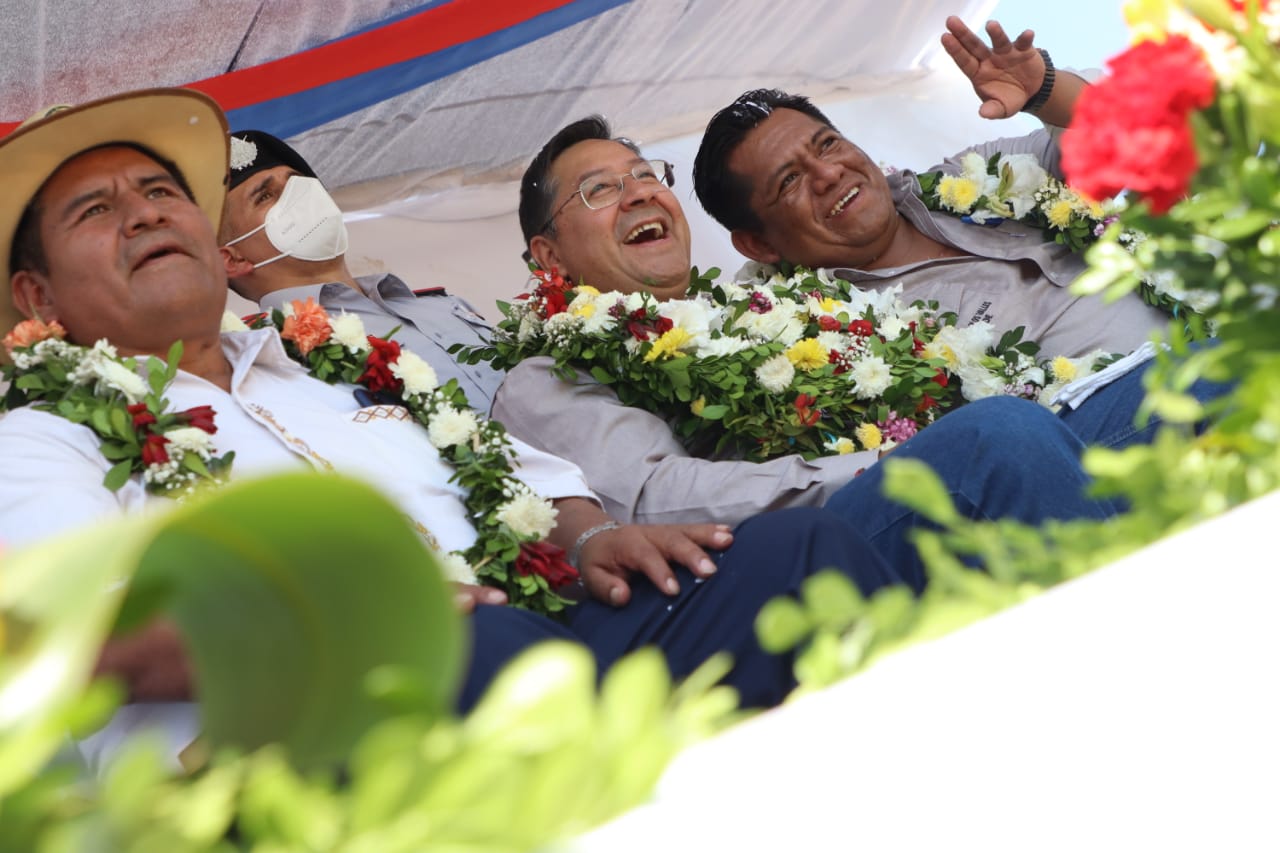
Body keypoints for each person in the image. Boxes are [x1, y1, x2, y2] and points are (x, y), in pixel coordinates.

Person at [0, 89, 903, 772]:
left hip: (540, 630)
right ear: (35, 298)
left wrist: (595, 538)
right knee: (488, 652)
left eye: (161, 191)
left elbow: (526, 475)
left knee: (795, 553)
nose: (148, 210)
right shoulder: (39, 437)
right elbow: (67, 633)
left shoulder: (342, 365)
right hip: (294, 742)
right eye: (98, 209)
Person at [494, 113, 1118, 591]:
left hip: (942, 477)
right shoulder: (544, 375)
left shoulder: (766, 307)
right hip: (793, 557)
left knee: (1143, 391)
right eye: (600, 189)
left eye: (645, 175)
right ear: (549, 257)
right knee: (1004, 435)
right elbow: (656, 496)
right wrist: (895, 457)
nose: (640, 194)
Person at [691, 18, 1219, 450]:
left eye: (827, 144)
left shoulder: (972, 179)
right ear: (758, 244)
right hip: (1099, 443)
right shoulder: (818, 343)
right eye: (790, 181)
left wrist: (1046, 91)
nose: (828, 174)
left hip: (1206, 339)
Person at [219, 129, 505, 412]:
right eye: (265, 196)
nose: (299, 196)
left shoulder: (443, 304)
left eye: (298, 181)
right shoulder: (272, 363)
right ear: (232, 259)